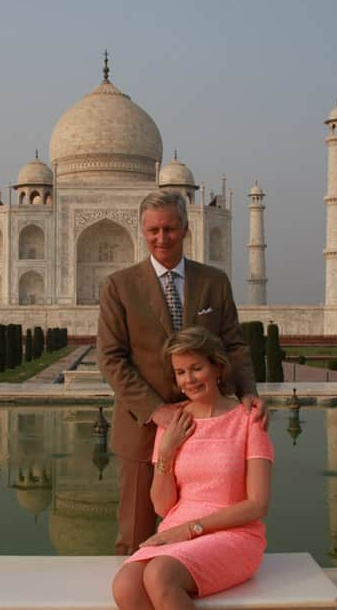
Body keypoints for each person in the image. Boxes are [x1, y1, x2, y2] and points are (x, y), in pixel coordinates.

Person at [97, 189, 265, 557]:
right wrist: (158, 411)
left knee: (210, 534)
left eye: (170, 229)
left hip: (209, 427)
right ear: (141, 231)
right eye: (153, 230)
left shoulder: (213, 282)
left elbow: (233, 344)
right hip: (144, 428)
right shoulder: (120, 286)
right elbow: (110, 358)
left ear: (186, 229)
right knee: (136, 538)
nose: (162, 238)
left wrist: (248, 390)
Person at [112, 326, 274, 608]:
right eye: (180, 372)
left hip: (234, 533)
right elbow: (163, 507)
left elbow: (257, 505)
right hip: (177, 530)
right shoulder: (173, 422)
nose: (189, 380)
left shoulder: (248, 420)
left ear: (218, 367)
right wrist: (166, 451)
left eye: (196, 368)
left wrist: (192, 529)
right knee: (126, 585)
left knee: (160, 574)